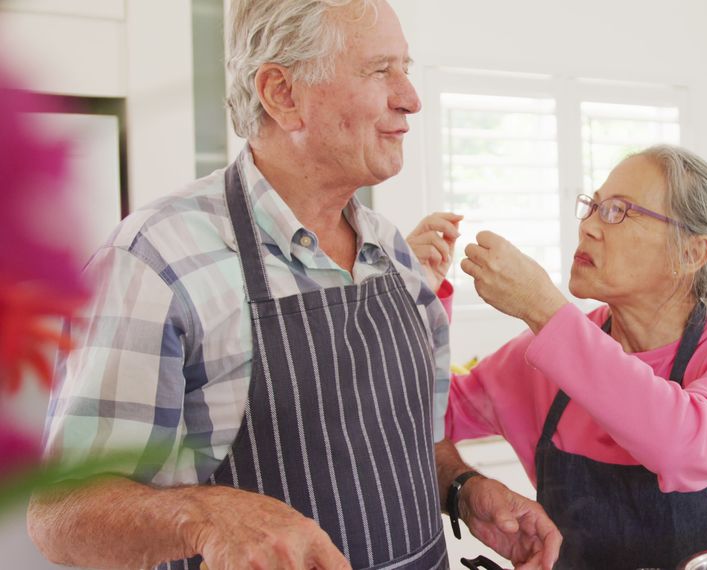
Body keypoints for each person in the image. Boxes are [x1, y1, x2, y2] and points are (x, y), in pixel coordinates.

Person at [27, 1, 560, 569]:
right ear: (282, 94)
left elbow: (412, 446)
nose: (410, 97)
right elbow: (61, 513)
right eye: (381, 70)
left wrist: (463, 489)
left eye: (404, 67)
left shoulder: (395, 255)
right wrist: (205, 517)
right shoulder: (156, 261)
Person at [448, 144, 707, 569]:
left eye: (618, 212)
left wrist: (544, 309)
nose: (588, 228)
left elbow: (685, 446)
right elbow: (424, 414)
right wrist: (421, 303)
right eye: (593, 206)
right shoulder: (542, 352)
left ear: (691, 254)